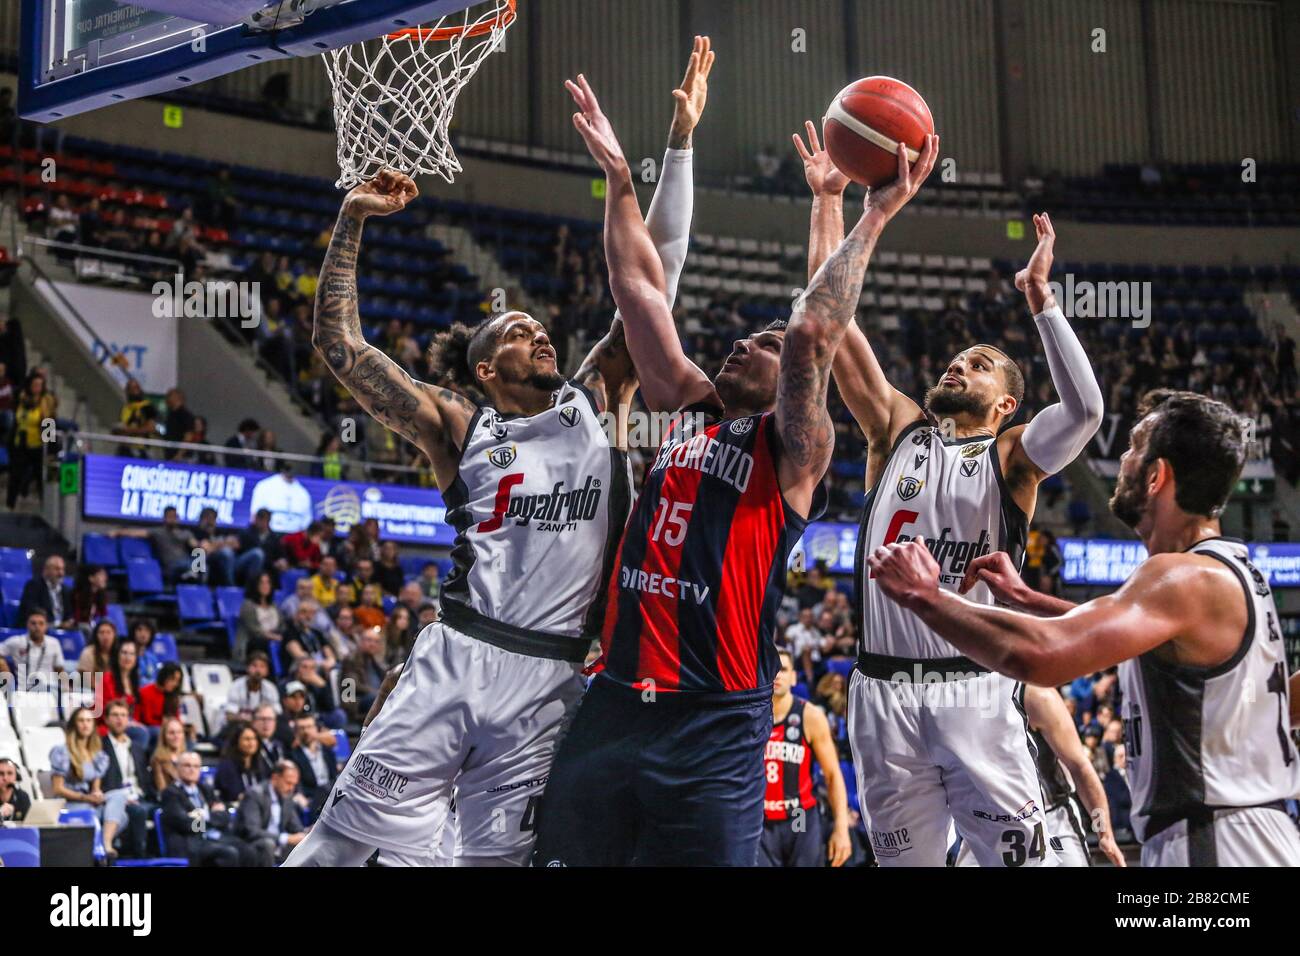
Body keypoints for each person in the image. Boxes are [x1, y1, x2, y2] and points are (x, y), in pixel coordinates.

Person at [286, 41, 717, 871]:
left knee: (496, 861)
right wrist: (352, 220)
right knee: (342, 845)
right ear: (487, 370)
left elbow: (651, 284)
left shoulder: (595, 400)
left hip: (554, 675)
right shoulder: (461, 426)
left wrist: (681, 141)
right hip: (460, 652)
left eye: (537, 325)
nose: (537, 332)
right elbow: (339, 346)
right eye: (515, 333)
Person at [531, 57, 861, 867]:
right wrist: (618, 177)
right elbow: (639, 291)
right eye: (749, 339)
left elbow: (815, 334)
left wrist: (854, 209)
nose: (746, 342)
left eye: (766, 344)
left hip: (714, 717)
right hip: (616, 700)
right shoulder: (692, 411)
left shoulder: (792, 453)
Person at [799, 112, 1103, 867]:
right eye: (957, 359)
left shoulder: (1013, 458)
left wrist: (1041, 300)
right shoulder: (895, 428)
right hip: (880, 695)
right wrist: (829, 201)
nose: (957, 367)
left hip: (976, 689)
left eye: (979, 365)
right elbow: (825, 323)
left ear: (1006, 404)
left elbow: (1088, 411)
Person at [868, 390, 1300, 867]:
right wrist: (1031, 600)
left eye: (1135, 446)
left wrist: (927, 597)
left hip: (1218, 841)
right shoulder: (1228, 573)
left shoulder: (1181, 578)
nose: (1123, 457)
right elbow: (1113, 632)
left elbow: (1043, 658)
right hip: (1244, 831)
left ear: (1157, 477)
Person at [954, 685, 1125, 867]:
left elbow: (1080, 767)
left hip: (1049, 818)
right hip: (985, 820)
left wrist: (1104, 832)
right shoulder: (954, 698)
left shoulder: (1035, 695)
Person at [759, 651, 852, 867]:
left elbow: (832, 775)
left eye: (783, 670)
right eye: (772, 670)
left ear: (793, 677)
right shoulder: (750, 717)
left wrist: (841, 828)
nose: (777, 675)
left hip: (798, 816)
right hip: (760, 820)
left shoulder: (809, 716)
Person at [48, 707, 129, 862]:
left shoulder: (97, 753)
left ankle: (105, 842)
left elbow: (96, 787)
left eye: (88, 721)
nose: (85, 724)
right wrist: (85, 798)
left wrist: (97, 794)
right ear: (74, 725)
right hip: (71, 803)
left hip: (89, 802)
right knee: (120, 816)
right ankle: (102, 848)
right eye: (81, 720)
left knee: (119, 795)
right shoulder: (62, 752)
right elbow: (57, 788)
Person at [160, 752, 257, 867]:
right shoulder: (171, 793)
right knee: (229, 854)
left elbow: (225, 817)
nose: (192, 770)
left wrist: (204, 816)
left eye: (196, 766)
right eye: (187, 766)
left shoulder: (205, 789)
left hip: (214, 838)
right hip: (192, 843)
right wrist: (212, 817)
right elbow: (186, 825)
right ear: (177, 768)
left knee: (249, 851)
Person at [100, 698, 157, 859]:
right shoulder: (100, 746)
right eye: (115, 715)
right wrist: (123, 798)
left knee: (167, 810)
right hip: (117, 799)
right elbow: (101, 782)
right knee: (138, 812)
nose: (120, 719)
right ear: (106, 719)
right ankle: (141, 858)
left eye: (124, 715)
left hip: (139, 796)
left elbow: (145, 780)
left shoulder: (137, 748)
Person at [238, 760, 307, 866]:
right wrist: (285, 838)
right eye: (288, 783)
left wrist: (307, 833)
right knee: (268, 845)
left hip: (277, 844)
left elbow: (296, 827)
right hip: (251, 843)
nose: (291, 788)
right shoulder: (255, 794)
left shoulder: (287, 796)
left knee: (304, 844)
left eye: (294, 785)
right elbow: (252, 831)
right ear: (275, 778)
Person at [7, 371, 57, 509]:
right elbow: (16, 421)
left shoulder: (45, 402)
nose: (37, 388)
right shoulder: (22, 399)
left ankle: (46, 507)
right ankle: (10, 504)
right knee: (15, 474)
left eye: (40, 385)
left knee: (41, 476)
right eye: (35, 385)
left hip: (37, 445)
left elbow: (49, 423)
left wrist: (49, 448)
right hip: (20, 442)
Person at [2, 609, 66, 689]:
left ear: (46, 626)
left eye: (41, 623)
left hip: (48, 691)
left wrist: (66, 689)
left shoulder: (54, 643)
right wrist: (5, 672)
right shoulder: (17, 642)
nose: (37, 626)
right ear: (27, 625)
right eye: (33, 623)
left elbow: (60, 669)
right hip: (23, 691)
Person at [289, 713, 338, 818]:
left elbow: (334, 775)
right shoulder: (293, 755)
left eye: (309, 727)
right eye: (302, 728)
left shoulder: (327, 751)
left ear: (316, 729)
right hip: (311, 797)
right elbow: (297, 784)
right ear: (296, 732)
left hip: (332, 794)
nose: (306, 731)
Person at [213, 721, 269, 805]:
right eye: (247, 739)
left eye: (254, 739)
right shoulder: (227, 766)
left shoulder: (261, 764)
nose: (251, 743)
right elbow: (233, 794)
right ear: (237, 741)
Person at [340, 626, 388, 721]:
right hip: (357, 704)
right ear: (360, 641)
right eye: (369, 640)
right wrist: (378, 693)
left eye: (376, 641)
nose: (372, 644)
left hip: (375, 700)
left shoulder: (377, 662)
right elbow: (353, 685)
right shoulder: (351, 660)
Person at [17, 553, 74, 630]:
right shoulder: (34, 585)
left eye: (62, 569)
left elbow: (69, 613)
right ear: (46, 570)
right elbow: (31, 609)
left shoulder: (66, 590)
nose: (61, 573)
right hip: (42, 626)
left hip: (62, 628)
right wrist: (56, 624)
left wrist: (69, 621)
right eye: (57, 569)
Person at [225, 651, 282, 726]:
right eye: (254, 666)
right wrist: (247, 719)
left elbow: (277, 713)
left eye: (262, 666)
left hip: (263, 725)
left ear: (267, 671)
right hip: (240, 725)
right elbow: (230, 715)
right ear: (247, 668)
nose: (258, 670)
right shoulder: (236, 686)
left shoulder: (271, 688)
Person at [235, 571, 283, 662]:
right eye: (262, 582)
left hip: (273, 639)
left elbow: (282, 626)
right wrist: (274, 637)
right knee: (265, 643)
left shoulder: (274, 605)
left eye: (268, 582)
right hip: (253, 642)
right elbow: (255, 631)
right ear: (255, 585)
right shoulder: (248, 605)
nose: (265, 585)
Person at [136, 662, 186, 737]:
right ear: (164, 677)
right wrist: (165, 723)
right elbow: (147, 720)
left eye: (177, 681)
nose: (175, 684)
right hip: (147, 728)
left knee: (187, 734)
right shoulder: (145, 692)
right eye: (172, 679)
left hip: (167, 727)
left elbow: (176, 718)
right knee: (161, 732)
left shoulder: (173, 696)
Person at [236, 508, 283, 585]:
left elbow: (280, 555)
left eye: (264, 519)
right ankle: (252, 586)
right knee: (257, 554)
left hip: (268, 568)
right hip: (244, 566)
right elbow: (239, 551)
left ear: (268, 521)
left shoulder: (274, 537)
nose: (261, 522)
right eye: (259, 518)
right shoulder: (246, 533)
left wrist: (281, 561)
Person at [150, 716, 188, 795]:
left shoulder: (188, 757)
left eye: (179, 732)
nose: (176, 736)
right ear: (164, 736)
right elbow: (163, 790)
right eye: (171, 733)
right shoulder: (158, 760)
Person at [0, 758, 32, 823]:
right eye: (1, 773)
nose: (5, 778)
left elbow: (29, 824)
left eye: (10, 773)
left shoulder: (23, 797)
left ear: (17, 777)